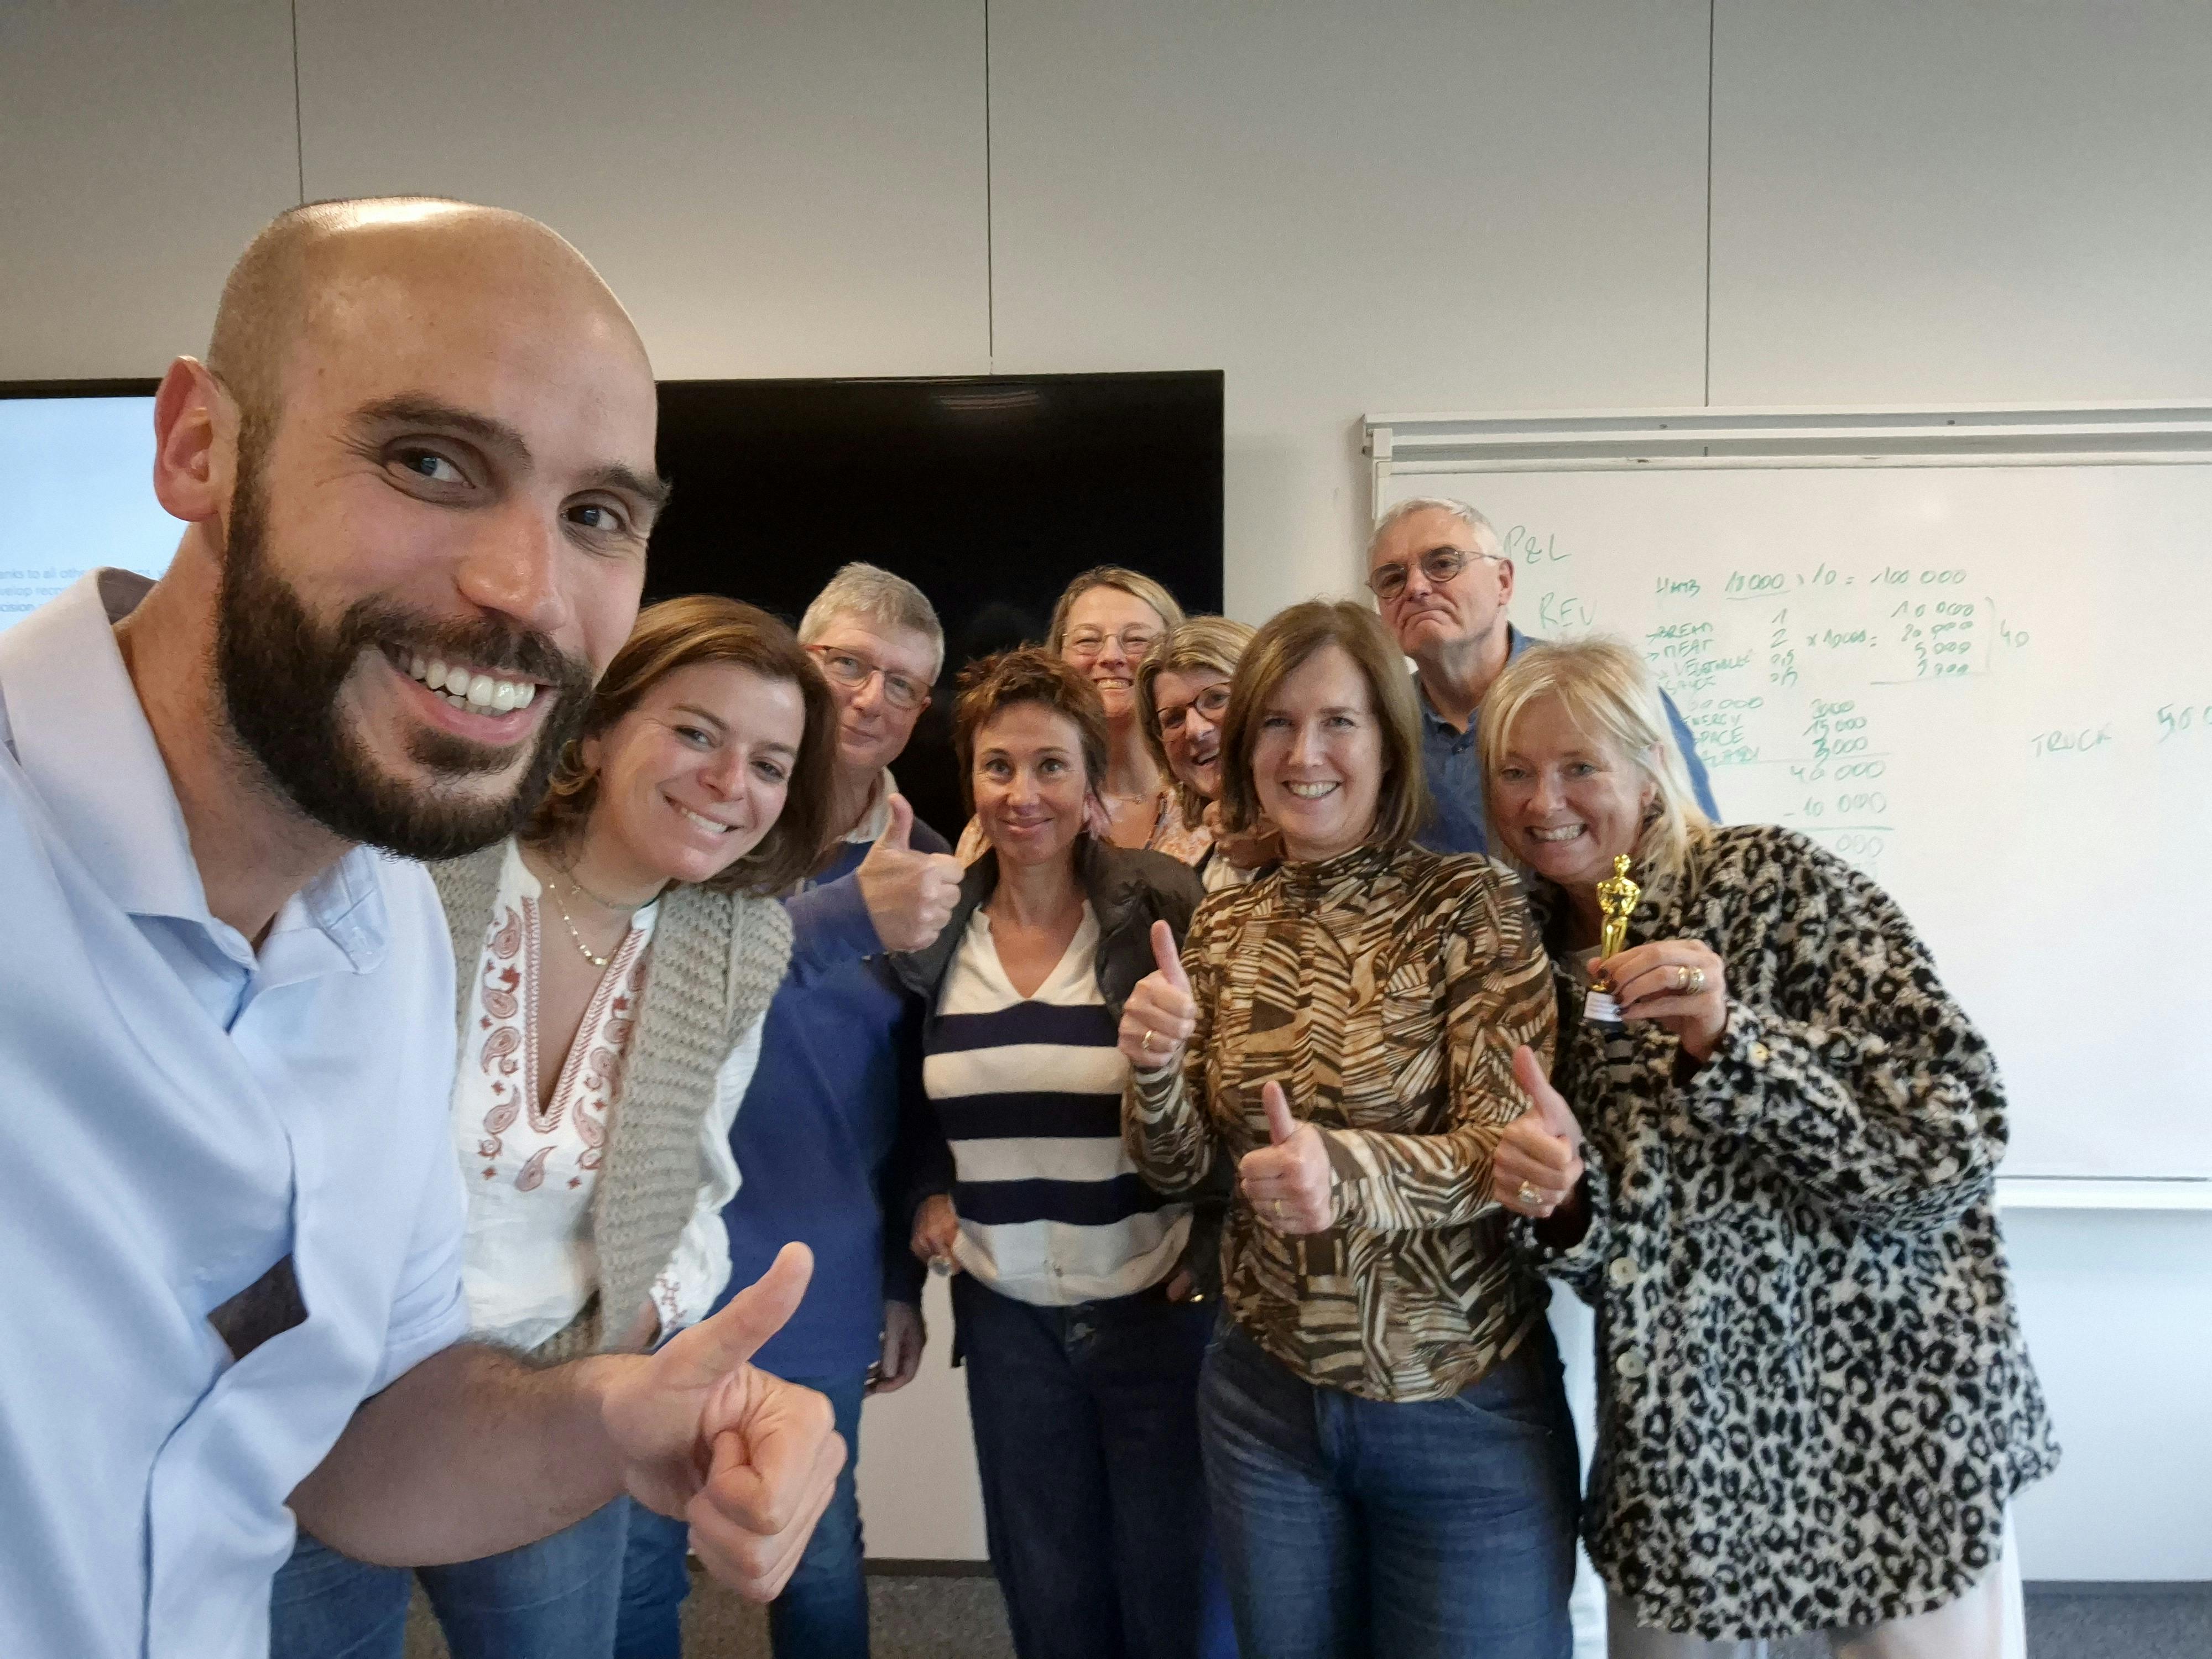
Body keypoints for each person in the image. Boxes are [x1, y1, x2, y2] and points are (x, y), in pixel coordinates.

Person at [0, 198, 839, 1659]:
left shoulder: (386, 918)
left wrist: (613, 1413)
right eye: (429, 461)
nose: (524, 591)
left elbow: (366, 1440)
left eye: (597, 517)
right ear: (199, 446)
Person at [270, 594, 839, 1655]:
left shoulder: (741, 946)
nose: (731, 784)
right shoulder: (416, 870)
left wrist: (641, 1332)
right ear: (596, 727)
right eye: (697, 733)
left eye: (770, 764)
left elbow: (700, 1189)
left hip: (549, 1399)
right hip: (326, 1396)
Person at [1478, 635, 2058, 1658]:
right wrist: (1563, 1200)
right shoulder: (1521, 964)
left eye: (1579, 767)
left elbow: (1957, 1124)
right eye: (1516, 772)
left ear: (1649, 770)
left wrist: (1731, 1042)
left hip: (1885, 1403)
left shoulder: (1774, 880)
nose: (1544, 799)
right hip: (1687, 1431)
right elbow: (1609, 1257)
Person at [1120, 600, 1579, 1659]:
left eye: (1338, 722)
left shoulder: (1471, 904)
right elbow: (1186, 1171)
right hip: (1265, 1401)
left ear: (1388, 740)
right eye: (1276, 724)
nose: (1305, 752)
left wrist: (1348, 1169)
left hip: (1456, 1404)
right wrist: (1149, 1071)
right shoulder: (1226, 919)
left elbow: (1511, 1156)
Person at [618, 564, 964, 1659]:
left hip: (812, 1269)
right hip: (639, 1261)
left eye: (902, 687)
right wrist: (836, 915)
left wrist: (901, 1282)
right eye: (847, 665)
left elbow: (929, 1093)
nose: (869, 699)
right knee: (627, 1562)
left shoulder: (928, 874)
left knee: (809, 1550)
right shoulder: (696, 818)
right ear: (797, 664)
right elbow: (645, 982)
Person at [890, 649, 1228, 1659]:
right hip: (1008, 1326)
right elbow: (905, 1096)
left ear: (1091, 782)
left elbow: (1235, 1087)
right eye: (999, 767)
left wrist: (1210, 1243)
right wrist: (928, 1188)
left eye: (1050, 767)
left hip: (1154, 1315)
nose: (1022, 794)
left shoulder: (1162, 903)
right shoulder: (935, 923)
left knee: (1174, 1603)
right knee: (1050, 1601)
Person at [1366, 495, 1719, 857]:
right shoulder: (1379, 730)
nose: (1416, 588)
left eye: (1442, 564)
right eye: (1392, 578)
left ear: (1503, 581)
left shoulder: (1601, 693)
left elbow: (1692, 849)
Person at [954, 566, 1196, 862]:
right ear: (1056, 658)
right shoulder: (1013, 818)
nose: (1110, 657)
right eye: (1087, 641)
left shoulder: (1210, 808)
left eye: (1136, 640)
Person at [1134, 615, 1279, 891]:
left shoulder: (1353, 842)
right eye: (1174, 719)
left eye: (1216, 699)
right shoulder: (1198, 881)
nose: (1195, 730)